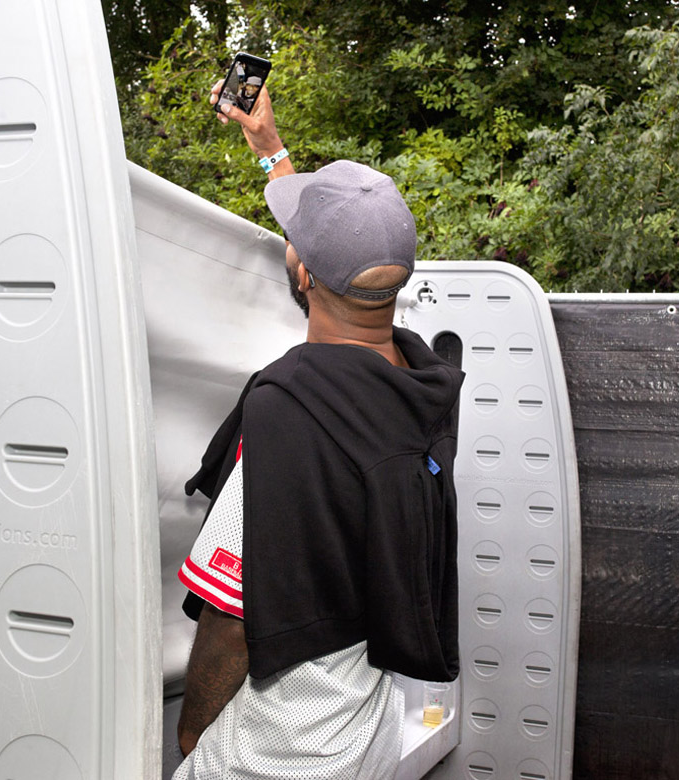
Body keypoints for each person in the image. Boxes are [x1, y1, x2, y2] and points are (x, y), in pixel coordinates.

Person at [171, 81, 463, 780]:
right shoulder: (423, 383)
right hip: (369, 735)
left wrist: (192, 736)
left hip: (283, 752)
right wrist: (270, 151)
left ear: (303, 272)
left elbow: (232, 616)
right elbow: (345, 251)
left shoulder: (291, 410)